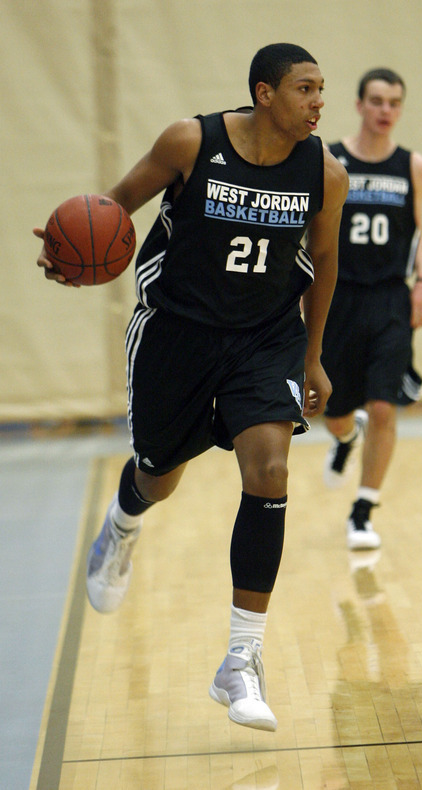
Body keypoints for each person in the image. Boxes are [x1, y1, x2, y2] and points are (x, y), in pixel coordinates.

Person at [34, 43, 348, 732]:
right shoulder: (191, 142)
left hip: (266, 339)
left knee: (269, 470)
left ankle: (241, 658)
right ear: (264, 94)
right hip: (177, 332)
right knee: (159, 474)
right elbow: (110, 211)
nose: (318, 101)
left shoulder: (324, 174)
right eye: (305, 88)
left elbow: (323, 263)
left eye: (322, 89)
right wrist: (67, 251)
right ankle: (122, 524)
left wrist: (314, 356)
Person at [321, 68, 422, 551]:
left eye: (394, 102)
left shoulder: (414, 166)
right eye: (377, 100)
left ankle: (363, 510)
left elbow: (416, 229)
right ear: (359, 105)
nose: (386, 110)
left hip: (391, 296)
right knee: (334, 409)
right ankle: (346, 439)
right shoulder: (330, 158)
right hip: (338, 297)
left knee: (385, 406)